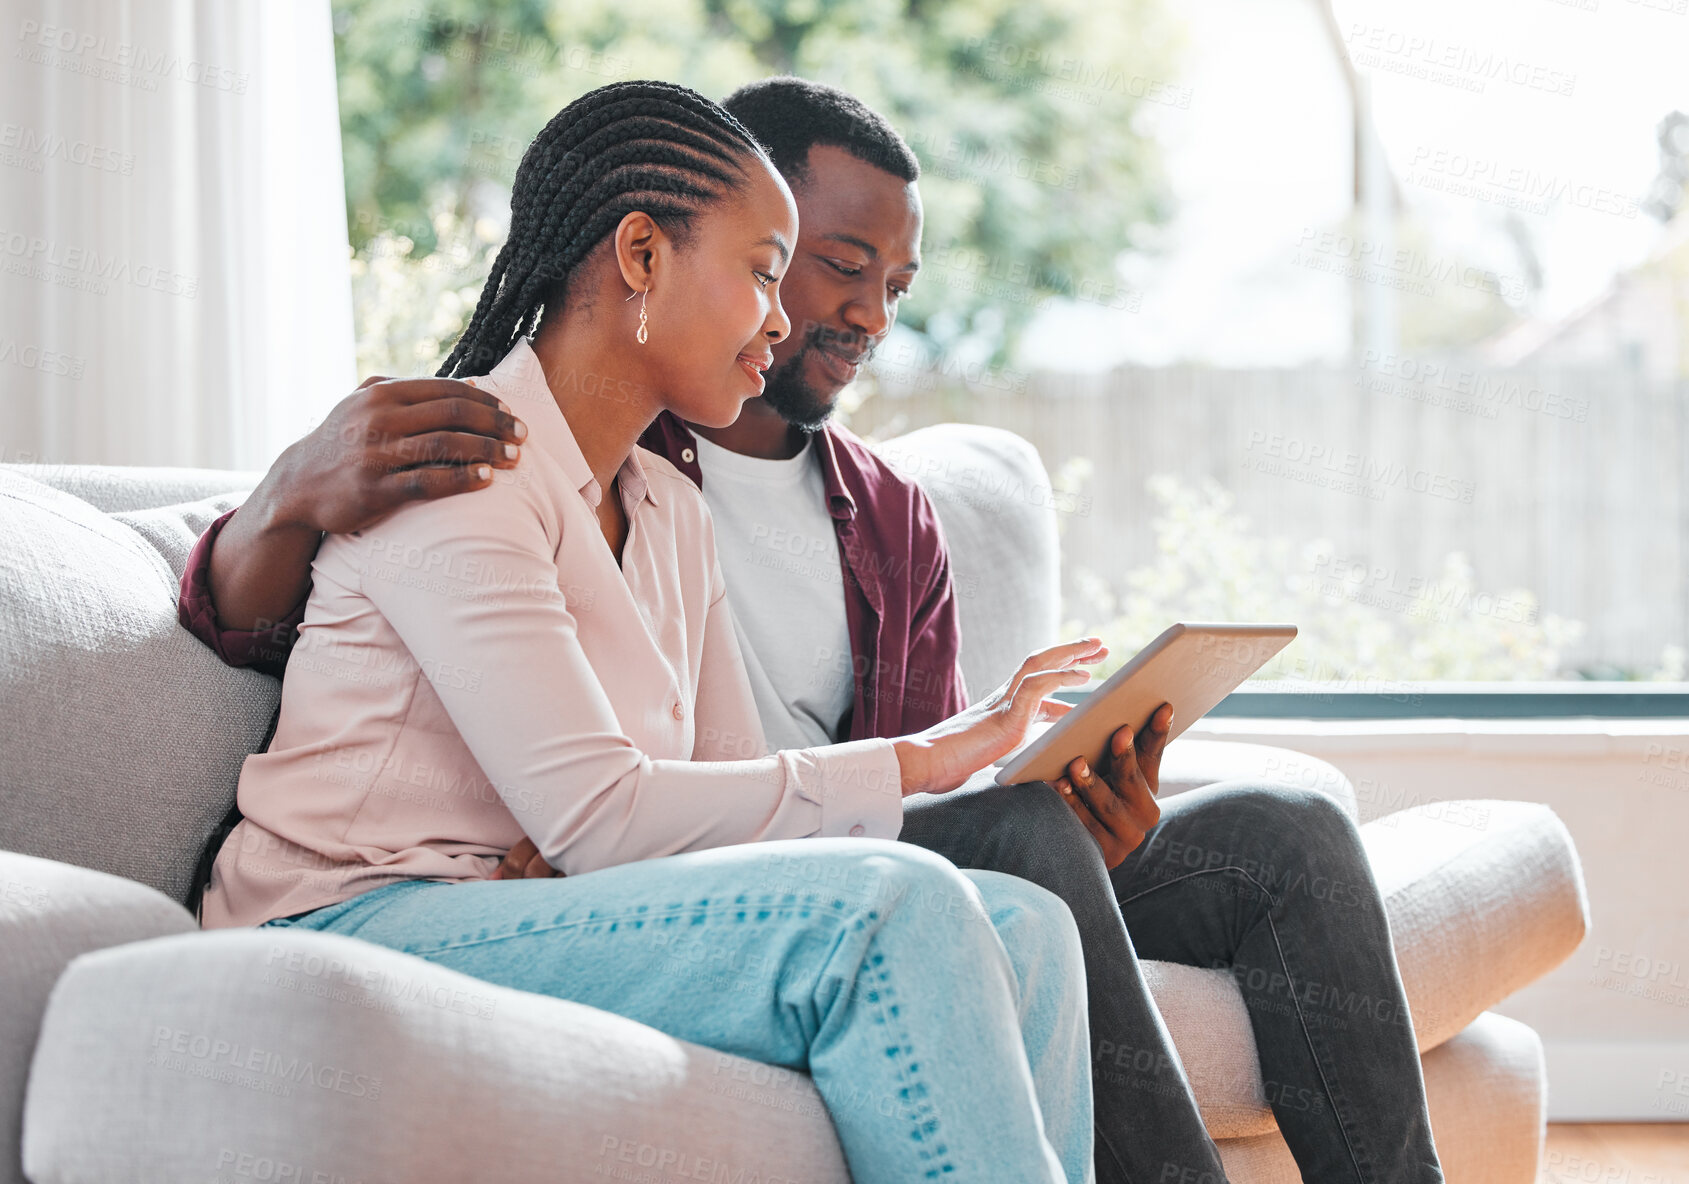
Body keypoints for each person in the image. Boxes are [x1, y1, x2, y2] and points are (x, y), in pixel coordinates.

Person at [182, 78, 1446, 1184]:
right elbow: (599, 810)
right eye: (775, 270)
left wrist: (977, 764)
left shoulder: (669, 505)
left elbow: (725, 790)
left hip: (561, 886)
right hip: (351, 913)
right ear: (639, 255)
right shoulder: (457, 461)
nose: (799, 317)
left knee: (1021, 915)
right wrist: (930, 760)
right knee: (905, 900)